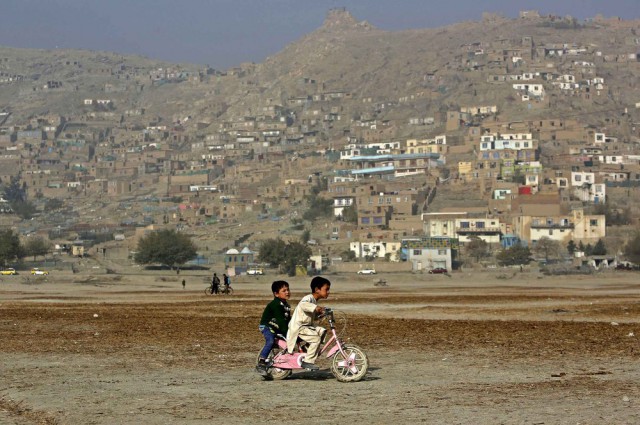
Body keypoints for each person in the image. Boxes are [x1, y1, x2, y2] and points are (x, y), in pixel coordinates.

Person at [286, 276, 330, 371]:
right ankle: (308, 361)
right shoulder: (308, 298)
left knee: (322, 331)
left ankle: (306, 348)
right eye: (326, 289)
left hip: (307, 326)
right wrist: (316, 308)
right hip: (299, 326)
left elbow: (312, 316)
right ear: (317, 289)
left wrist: (321, 315)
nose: (328, 292)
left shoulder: (314, 301)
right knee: (316, 339)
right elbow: (303, 305)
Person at [256, 280, 291, 375]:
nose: (287, 292)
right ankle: (261, 362)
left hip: (276, 327)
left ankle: (286, 366)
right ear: (276, 294)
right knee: (270, 341)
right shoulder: (275, 304)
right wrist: (287, 334)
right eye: (284, 291)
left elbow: (288, 321)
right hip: (267, 326)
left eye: (288, 290)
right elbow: (281, 322)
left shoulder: (286, 305)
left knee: (286, 345)